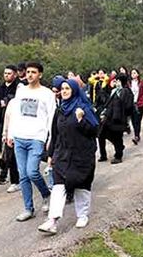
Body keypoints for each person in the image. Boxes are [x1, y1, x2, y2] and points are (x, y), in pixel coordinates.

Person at [38, 79, 99, 234]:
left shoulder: (83, 108)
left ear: (74, 90)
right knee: (58, 186)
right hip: (63, 154)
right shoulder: (60, 110)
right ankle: (52, 221)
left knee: (81, 186)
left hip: (82, 155)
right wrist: (51, 154)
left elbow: (94, 130)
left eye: (67, 89)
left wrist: (80, 120)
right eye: (62, 89)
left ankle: (82, 215)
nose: (64, 91)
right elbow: (55, 134)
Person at [4, 62, 55, 222]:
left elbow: (51, 117)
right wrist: (10, 134)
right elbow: (15, 114)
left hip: (37, 137)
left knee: (32, 171)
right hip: (20, 136)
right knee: (23, 175)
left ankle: (46, 194)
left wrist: (50, 138)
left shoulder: (47, 93)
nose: (30, 75)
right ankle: (28, 208)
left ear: (40, 74)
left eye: (34, 72)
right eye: (28, 72)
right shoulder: (21, 91)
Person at [0, 65, 21, 191]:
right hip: (0, 122)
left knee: (11, 151)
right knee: (2, 148)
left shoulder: (19, 88)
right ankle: (5, 170)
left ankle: (14, 178)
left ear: (15, 75)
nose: (6, 75)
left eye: (9, 73)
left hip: (14, 122)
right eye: (5, 73)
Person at [99, 74, 133, 164]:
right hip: (109, 117)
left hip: (120, 119)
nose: (116, 83)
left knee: (117, 137)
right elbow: (109, 104)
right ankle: (107, 153)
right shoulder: (115, 91)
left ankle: (118, 156)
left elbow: (128, 106)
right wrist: (104, 113)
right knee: (102, 133)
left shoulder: (126, 92)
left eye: (118, 81)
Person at [129, 69, 143, 144]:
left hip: (140, 104)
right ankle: (136, 134)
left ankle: (136, 136)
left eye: (134, 73)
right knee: (133, 121)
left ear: (138, 74)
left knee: (137, 120)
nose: (133, 74)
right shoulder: (129, 83)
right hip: (131, 104)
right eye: (132, 73)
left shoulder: (142, 83)